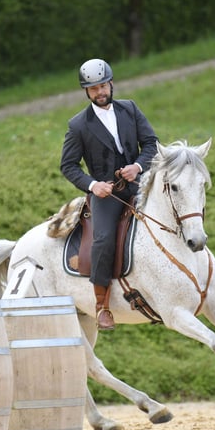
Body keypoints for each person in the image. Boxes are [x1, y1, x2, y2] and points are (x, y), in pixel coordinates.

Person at [60, 58, 159, 330]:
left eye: (103, 86)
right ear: (86, 92)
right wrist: (93, 186)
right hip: (106, 195)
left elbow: (151, 143)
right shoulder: (78, 125)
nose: (100, 92)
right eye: (94, 89)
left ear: (111, 84)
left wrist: (138, 166)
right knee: (102, 239)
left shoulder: (130, 109)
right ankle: (102, 305)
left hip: (138, 185)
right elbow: (68, 166)